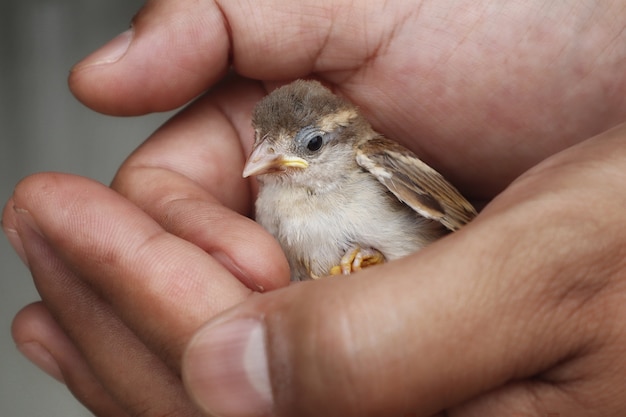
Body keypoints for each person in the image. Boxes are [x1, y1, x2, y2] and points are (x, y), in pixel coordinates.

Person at [4, 1, 626, 416]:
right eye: (265, 148)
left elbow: (471, 234)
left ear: (342, 143)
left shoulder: (377, 161)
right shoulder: (267, 204)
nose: (273, 163)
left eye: (308, 147)